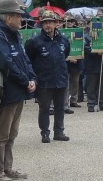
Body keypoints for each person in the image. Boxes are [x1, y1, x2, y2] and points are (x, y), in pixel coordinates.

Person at [0, 0, 36, 181]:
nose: (21, 19)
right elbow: (6, 64)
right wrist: (25, 81)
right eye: (18, 16)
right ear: (8, 18)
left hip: (18, 91)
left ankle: (7, 167)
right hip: (7, 92)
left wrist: (32, 78)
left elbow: (25, 60)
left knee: (12, 133)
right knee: (2, 135)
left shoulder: (15, 35)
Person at [26, 11, 70, 141]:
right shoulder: (34, 42)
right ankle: (45, 132)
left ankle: (59, 132)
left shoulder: (63, 40)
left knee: (60, 108)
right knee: (44, 108)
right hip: (44, 81)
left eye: (50, 22)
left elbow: (65, 54)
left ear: (56, 23)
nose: (47, 25)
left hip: (61, 79)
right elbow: (28, 59)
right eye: (45, 23)